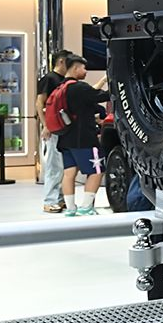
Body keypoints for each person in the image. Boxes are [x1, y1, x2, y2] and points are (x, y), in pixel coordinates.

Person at [57, 54, 110, 215]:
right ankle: (86, 207)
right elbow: (103, 96)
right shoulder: (80, 88)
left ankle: (70, 208)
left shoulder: (61, 87)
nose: (86, 71)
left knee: (69, 174)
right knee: (97, 171)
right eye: (83, 68)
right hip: (85, 139)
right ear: (75, 68)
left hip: (65, 139)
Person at [36, 49, 70, 213]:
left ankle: (59, 198)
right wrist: (46, 125)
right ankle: (50, 200)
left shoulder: (64, 80)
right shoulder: (49, 79)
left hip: (62, 127)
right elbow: (39, 103)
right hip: (53, 127)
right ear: (62, 61)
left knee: (62, 165)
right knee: (53, 165)